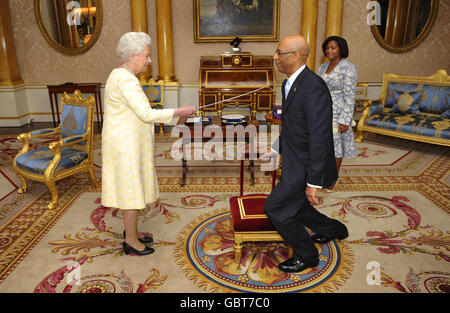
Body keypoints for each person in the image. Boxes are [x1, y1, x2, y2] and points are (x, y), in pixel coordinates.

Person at [102, 32, 196, 256]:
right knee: (131, 192)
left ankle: (131, 232)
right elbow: (145, 113)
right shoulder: (125, 79)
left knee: (132, 189)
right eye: (146, 55)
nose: (149, 60)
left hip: (127, 142)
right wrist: (179, 112)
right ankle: (131, 241)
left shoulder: (121, 75)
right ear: (133, 56)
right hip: (125, 146)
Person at [261, 35, 348, 273]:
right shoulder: (288, 82)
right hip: (293, 158)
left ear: (297, 56)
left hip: (307, 165)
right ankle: (334, 229)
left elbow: (319, 137)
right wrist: (275, 148)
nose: (275, 58)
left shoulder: (314, 88)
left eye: (280, 53)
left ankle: (307, 255)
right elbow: (293, 126)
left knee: (276, 208)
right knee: (297, 207)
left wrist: (313, 183)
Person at [317, 36, 358, 191]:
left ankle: (332, 180)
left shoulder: (349, 68)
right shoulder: (322, 67)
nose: (329, 51)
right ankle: (321, 175)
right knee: (322, 145)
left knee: (335, 147)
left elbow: (350, 95)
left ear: (341, 49)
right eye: (327, 48)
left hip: (337, 112)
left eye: (333, 48)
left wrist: (345, 120)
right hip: (321, 111)